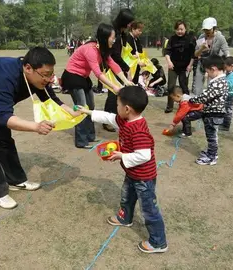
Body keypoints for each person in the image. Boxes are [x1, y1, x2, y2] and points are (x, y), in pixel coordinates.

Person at [0, 47, 77, 209]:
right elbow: (4, 117)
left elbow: (51, 98)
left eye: (51, 74)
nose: (49, 79)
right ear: (28, 68)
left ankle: (16, 180)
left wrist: (73, 113)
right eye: (46, 74)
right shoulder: (5, 75)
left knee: (4, 141)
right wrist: (36, 126)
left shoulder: (38, 77)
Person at [78, 86, 167, 254]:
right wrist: (87, 112)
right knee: (127, 197)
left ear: (127, 109)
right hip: (132, 173)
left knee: (149, 209)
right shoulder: (125, 119)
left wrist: (121, 156)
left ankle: (159, 242)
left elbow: (144, 155)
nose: (115, 108)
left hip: (144, 177)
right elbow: (109, 117)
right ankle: (125, 217)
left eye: (117, 105)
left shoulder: (138, 129)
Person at [61, 23, 133, 149]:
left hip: (83, 77)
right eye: (113, 37)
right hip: (72, 77)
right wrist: (114, 87)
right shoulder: (91, 49)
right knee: (82, 107)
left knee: (91, 106)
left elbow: (113, 64)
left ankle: (90, 136)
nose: (114, 40)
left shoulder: (103, 49)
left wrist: (125, 81)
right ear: (105, 37)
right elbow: (99, 74)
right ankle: (81, 141)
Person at [189, 55, 228, 165]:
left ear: (214, 69)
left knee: (212, 137)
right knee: (212, 136)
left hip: (213, 114)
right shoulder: (221, 80)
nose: (208, 75)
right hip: (213, 113)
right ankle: (211, 152)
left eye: (208, 72)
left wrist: (191, 99)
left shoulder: (218, 82)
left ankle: (212, 157)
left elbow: (205, 97)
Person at [103, 8, 135, 132]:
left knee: (117, 94)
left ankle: (115, 117)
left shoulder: (122, 33)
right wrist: (126, 68)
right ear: (123, 21)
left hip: (118, 65)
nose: (130, 25)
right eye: (129, 22)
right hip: (111, 66)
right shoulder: (113, 32)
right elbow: (114, 54)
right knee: (113, 93)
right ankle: (107, 121)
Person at [164, 20, 196, 113]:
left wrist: (190, 65)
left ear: (185, 29)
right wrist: (169, 62)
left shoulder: (190, 39)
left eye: (182, 29)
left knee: (184, 87)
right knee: (171, 87)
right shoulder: (172, 39)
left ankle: (186, 105)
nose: (180, 31)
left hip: (185, 67)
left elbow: (193, 54)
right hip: (173, 67)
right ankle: (169, 106)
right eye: (178, 29)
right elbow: (167, 52)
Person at [193, 17, 230, 96]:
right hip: (202, 64)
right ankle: (198, 105)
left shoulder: (220, 38)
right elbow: (196, 54)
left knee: (212, 86)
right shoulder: (201, 37)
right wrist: (202, 48)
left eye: (208, 29)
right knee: (197, 88)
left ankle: (209, 106)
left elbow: (226, 51)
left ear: (214, 28)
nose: (206, 32)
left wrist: (229, 62)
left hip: (214, 66)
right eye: (205, 30)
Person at [221, 56, 233, 131]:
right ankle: (224, 122)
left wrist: (222, 81)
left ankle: (226, 125)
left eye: (226, 67)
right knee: (225, 109)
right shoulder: (230, 73)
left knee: (228, 110)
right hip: (227, 94)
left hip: (230, 95)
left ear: (232, 66)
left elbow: (229, 84)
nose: (225, 69)